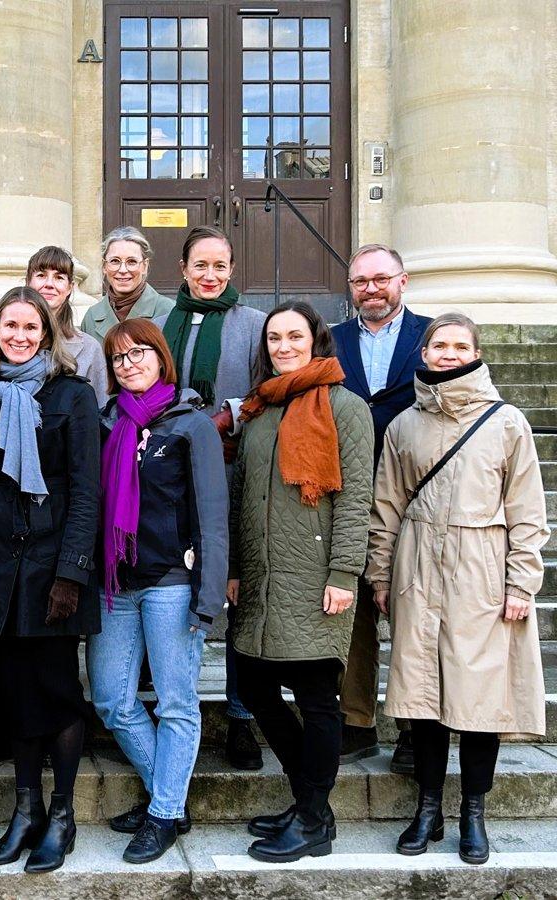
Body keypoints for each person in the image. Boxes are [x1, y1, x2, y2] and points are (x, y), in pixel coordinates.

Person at [366, 313, 548, 865]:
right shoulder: (404, 425)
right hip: (418, 571)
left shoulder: (507, 422)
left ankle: (473, 811)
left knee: (477, 701)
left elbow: (527, 511)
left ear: (475, 351)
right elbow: (386, 507)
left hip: (482, 576)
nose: (448, 353)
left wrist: (522, 581)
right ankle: (427, 808)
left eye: (459, 345)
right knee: (422, 700)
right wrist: (379, 573)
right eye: (439, 345)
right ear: (423, 354)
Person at [226, 301, 373, 864]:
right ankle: (310, 801)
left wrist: (344, 573)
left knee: (316, 701)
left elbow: (356, 496)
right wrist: (237, 569)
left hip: (317, 578)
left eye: (294, 336)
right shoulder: (260, 411)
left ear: (316, 340)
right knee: (258, 690)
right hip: (262, 580)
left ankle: (313, 817)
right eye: (274, 338)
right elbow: (242, 498)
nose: (283, 346)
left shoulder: (345, 407)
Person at [0, 288, 100, 874]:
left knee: (56, 691)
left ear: (47, 333)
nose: (18, 336)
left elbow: (86, 491)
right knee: (15, 692)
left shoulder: (73, 395)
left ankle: (63, 815)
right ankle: (26, 811)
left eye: (30, 327)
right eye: (9, 326)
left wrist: (71, 572)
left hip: (50, 567)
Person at [88, 319, 228, 864]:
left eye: (139, 353)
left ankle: (164, 812)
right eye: (119, 358)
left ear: (161, 357)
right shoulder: (108, 423)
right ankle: (168, 798)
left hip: (172, 584)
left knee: (174, 703)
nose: (129, 364)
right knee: (112, 699)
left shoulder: (191, 424)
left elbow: (213, 518)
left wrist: (208, 596)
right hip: (118, 585)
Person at [157, 226, 266, 772]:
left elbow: (267, 388)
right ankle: (164, 702)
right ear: (183, 269)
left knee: (235, 588)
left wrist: (229, 414)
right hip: (168, 476)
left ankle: (242, 718)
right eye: (201, 265)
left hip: (229, 466)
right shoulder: (158, 324)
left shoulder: (253, 325)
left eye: (220, 266)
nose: (211, 275)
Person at [332, 244, 431, 773]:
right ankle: (357, 721)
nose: (371, 289)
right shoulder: (332, 339)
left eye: (380, 279)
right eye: (360, 281)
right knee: (356, 614)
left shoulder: (430, 336)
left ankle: (417, 725)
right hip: (348, 491)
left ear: (402, 280)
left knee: (414, 612)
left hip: (414, 494)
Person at [0, 246, 108, 421]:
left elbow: (99, 414)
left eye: (59, 277)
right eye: (41, 275)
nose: (49, 284)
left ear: (70, 287)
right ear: (28, 281)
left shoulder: (89, 348)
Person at [80, 226, 173, 345]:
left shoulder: (168, 311)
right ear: (104, 266)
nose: (123, 270)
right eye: (115, 261)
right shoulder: (91, 317)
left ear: (144, 266)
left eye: (132, 262)